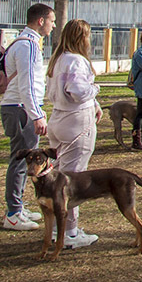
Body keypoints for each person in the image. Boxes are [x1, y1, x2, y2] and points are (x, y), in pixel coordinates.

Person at [45, 19, 103, 248]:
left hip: (59, 118)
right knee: (73, 179)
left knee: (59, 175)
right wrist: (95, 89)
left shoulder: (58, 60)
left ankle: (57, 229)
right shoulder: (77, 61)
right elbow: (79, 92)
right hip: (76, 121)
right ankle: (69, 231)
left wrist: (95, 103)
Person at [0, 3, 55, 231]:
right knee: (22, 161)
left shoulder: (24, 43)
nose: (53, 25)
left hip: (18, 107)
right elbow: (28, 84)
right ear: (41, 21)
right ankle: (13, 213)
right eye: (51, 20)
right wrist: (37, 115)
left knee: (22, 161)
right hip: (21, 108)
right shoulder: (29, 46)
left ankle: (18, 207)